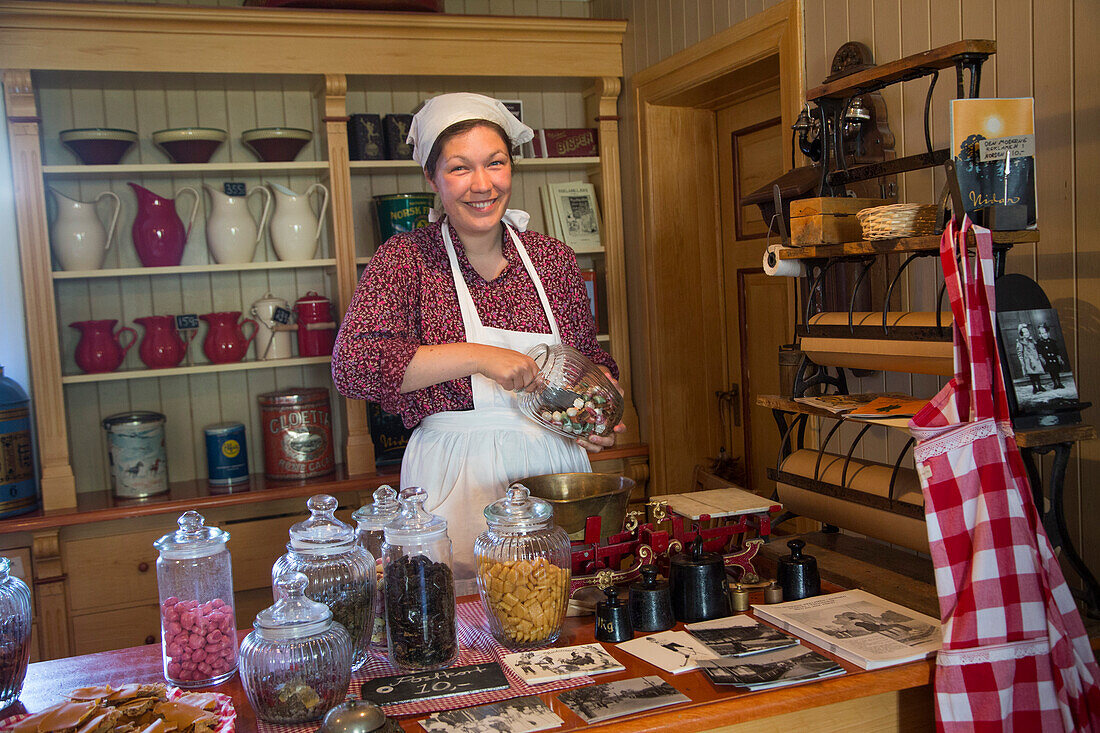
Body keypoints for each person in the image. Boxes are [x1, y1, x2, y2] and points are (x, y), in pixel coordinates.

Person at [331, 93, 624, 593]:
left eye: (496, 163)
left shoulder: (552, 258)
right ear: (433, 179)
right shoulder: (407, 259)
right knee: (466, 628)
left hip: (554, 473)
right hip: (454, 478)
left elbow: (590, 361)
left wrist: (597, 416)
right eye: (460, 168)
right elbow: (354, 365)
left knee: (557, 621)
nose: (482, 185)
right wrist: (481, 357)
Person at [1015, 323, 1045, 394]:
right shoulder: (1020, 342)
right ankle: (1034, 387)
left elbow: (1036, 348)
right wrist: (1022, 362)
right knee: (1032, 374)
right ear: (1021, 334)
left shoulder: (1032, 340)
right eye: (1024, 332)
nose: (1026, 333)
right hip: (1028, 361)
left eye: (1027, 332)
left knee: (1037, 373)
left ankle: (1040, 386)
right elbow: (1020, 353)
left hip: (1035, 359)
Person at [1035, 323, 1066, 389]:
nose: (1045, 335)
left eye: (1045, 333)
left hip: (1054, 358)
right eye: (1042, 334)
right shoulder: (1039, 343)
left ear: (1048, 333)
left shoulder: (1052, 341)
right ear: (1040, 335)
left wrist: (1058, 357)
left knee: (1056, 371)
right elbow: (1039, 352)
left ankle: (1059, 382)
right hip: (1047, 359)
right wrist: (1042, 359)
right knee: (1052, 372)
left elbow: (1056, 350)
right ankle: (1055, 383)